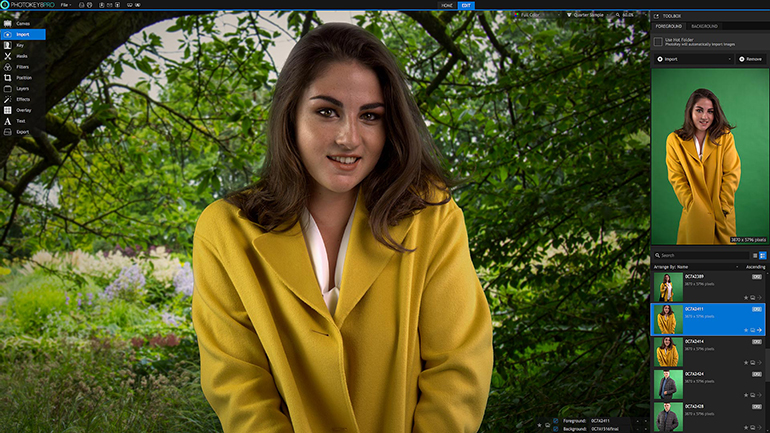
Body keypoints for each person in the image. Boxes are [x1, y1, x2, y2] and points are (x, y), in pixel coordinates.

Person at [191, 22, 494, 433]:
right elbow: (238, 384)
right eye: (327, 112)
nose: (350, 137)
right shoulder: (226, 231)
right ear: (290, 114)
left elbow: (458, 364)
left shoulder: (431, 215)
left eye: (370, 116)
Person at [666, 88, 741, 245]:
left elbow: (732, 173)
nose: (705, 117)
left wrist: (723, 206)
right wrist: (691, 204)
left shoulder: (725, 137)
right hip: (694, 216)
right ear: (689, 111)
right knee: (693, 265)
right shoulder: (674, 140)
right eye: (699, 110)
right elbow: (676, 177)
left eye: (710, 111)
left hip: (721, 216)